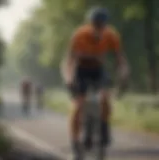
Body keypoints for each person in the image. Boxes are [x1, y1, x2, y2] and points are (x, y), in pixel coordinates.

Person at [61, 7, 129, 160]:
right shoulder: (79, 35)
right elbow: (68, 61)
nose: (98, 28)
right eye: (95, 24)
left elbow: (121, 59)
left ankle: (104, 127)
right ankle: (75, 143)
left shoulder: (111, 35)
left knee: (105, 98)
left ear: (106, 25)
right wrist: (69, 79)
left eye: (101, 25)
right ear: (90, 24)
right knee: (78, 106)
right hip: (81, 70)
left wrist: (124, 74)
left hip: (98, 70)